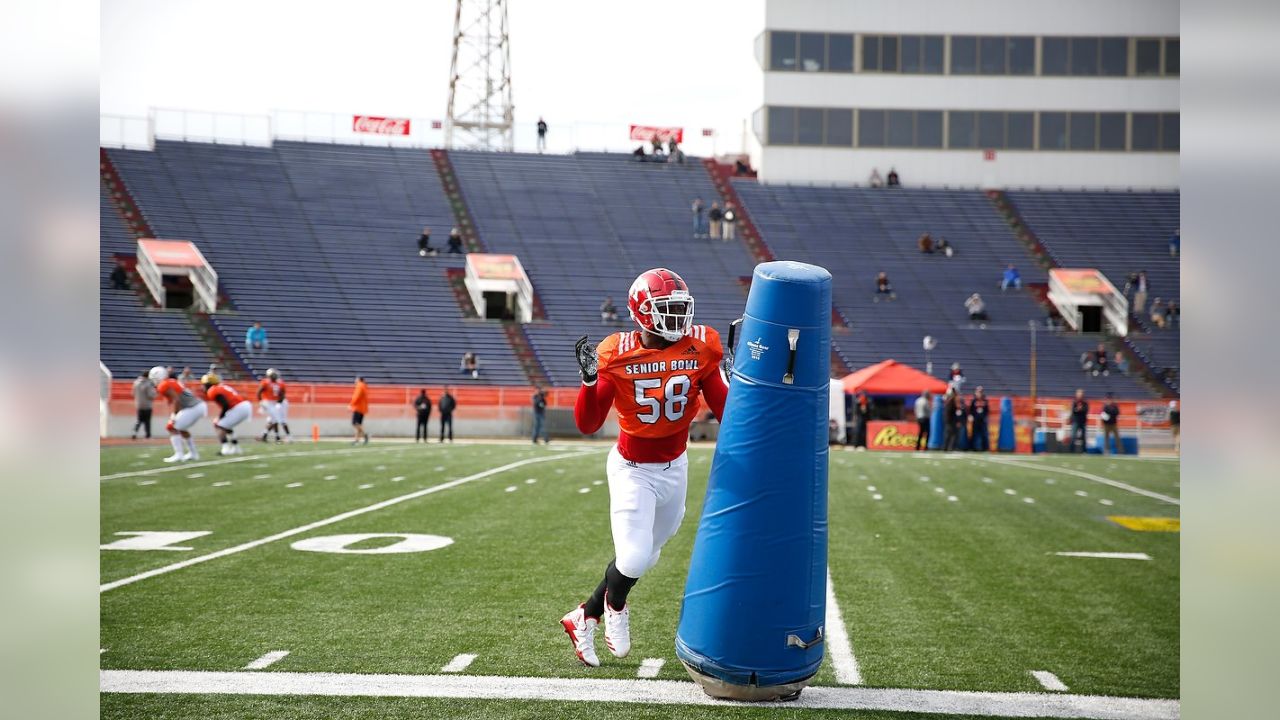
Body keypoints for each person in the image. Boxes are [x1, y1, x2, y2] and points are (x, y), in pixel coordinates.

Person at [561, 267, 727, 668]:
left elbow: (726, 410)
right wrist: (588, 382)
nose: (677, 318)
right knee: (633, 558)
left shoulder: (702, 346)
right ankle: (614, 606)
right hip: (633, 467)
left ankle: (584, 615)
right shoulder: (617, 351)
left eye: (680, 308)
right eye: (667, 309)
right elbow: (587, 424)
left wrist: (737, 382)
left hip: (676, 464)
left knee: (649, 554)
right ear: (643, 312)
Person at [150, 366, 207, 462]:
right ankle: (193, 454)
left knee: (171, 427)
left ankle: (179, 455)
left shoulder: (163, 385)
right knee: (181, 428)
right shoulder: (170, 381)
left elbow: (176, 400)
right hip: (198, 406)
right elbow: (176, 399)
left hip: (193, 407)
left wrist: (175, 415)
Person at [203, 373, 251, 456]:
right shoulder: (221, 386)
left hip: (238, 407)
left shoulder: (213, 390)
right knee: (227, 426)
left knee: (218, 425)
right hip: (243, 406)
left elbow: (225, 404)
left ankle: (225, 449)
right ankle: (236, 448)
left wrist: (220, 417)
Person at [257, 368, 291, 443]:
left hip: (279, 403)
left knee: (279, 420)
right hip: (270, 403)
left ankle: (286, 437)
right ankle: (273, 436)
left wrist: (279, 403)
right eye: (273, 375)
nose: (275, 376)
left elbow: (282, 395)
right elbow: (259, 392)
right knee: (272, 420)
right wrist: (261, 402)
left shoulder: (280, 383)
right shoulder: (265, 382)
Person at [130, 371, 156, 440]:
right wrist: (155, 393)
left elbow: (132, 393)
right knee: (147, 421)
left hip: (138, 404)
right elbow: (150, 395)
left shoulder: (136, 382)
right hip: (147, 404)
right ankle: (148, 435)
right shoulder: (148, 383)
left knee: (139, 420)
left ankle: (134, 432)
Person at [968, 386, 990, 452]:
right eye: (978, 392)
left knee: (984, 434)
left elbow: (987, 410)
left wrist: (985, 416)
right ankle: (972, 448)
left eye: (981, 392)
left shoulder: (985, 400)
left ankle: (985, 448)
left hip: (982, 420)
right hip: (975, 420)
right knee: (974, 434)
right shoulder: (974, 401)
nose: (980, 393)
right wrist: (971, 416)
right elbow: (971, 410)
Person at [349, 376, 370, 445]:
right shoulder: (364, 386)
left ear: (359, 380)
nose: (355, 380)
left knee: (354, 423)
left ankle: (365, 435)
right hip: (363, 408)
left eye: (356, 379)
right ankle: (357, 440)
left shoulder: (360, 386)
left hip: (358, 407)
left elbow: (356, 396)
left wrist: (351, 404)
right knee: (359, 424)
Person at [942, 387, 962, 451]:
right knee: (951, 434)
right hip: (951, 420)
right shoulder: (952, 400)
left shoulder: (950, 400)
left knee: (950, 434)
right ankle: (949, 447)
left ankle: (948, 447)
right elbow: (955, 410)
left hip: (950, 419)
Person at [1069, 389, 1089, 453]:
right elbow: (1073, 411)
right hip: (1075, 421)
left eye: (1081, 394)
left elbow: (1086, 411)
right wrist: (1077, 409)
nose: (1080, 396)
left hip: (1083, 421)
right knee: (1073, 436)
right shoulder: (1074, 402)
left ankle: (1084, 451)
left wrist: (1080, 409)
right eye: (1079, 394)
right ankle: (1071, 450)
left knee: (1083, 437)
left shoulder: (1085, 403)